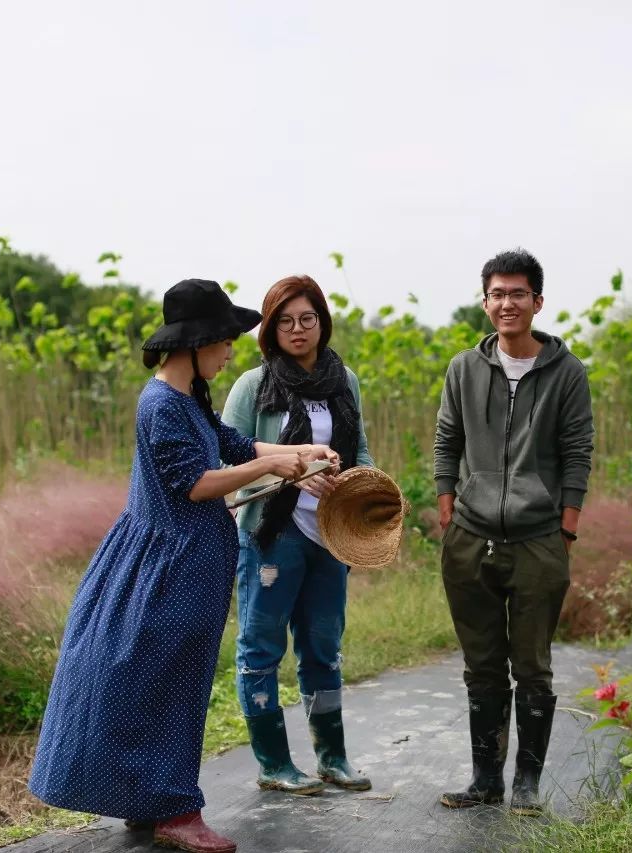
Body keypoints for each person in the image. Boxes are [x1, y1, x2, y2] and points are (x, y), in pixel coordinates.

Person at [29, 278, 339, 853]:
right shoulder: (161, 405)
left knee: (168, 680)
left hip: (186, 560)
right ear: (194, 344)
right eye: (223, 342)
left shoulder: (188, 398)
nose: (229, 352)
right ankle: (175, 811)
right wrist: (280, 470)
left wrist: (300, 453)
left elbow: (234, 444)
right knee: (166, 681)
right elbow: (197, 484)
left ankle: (150, 800)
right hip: (169, 566)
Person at [433, 248, 595, 816]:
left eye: (518, 294)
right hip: (470, 537)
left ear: (537, 301)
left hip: (538, 540)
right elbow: (446, 443)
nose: (507, 304)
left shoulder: (566, 373)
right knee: (480, 665)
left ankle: (526, 785)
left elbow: (577, 452)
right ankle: (485, 781)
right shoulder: (463, 368)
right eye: (497, 294)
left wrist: (565, 530)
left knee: (532, 665)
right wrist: (449, 512)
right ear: (485, 303)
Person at [221, 275, 374, 796]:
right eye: (284, 321)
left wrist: (362, 489)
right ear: (269, 328)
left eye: (307, 318)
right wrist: (292, 469)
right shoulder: (252, 386)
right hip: (271, 532)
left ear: (322, 321)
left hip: (330, 534)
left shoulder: (344, 380)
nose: (297, 329)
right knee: (261, 649)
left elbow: (362, 453)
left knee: (324, 649)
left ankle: (333, 757)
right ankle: (274, 764)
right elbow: (230, 460)